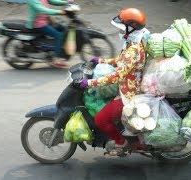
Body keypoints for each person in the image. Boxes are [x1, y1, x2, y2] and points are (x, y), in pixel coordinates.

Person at [74, 8, 150, 156]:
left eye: (122, 29)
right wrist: (101, 61)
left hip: (129, 95)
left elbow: (116, 76)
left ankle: (121, 142)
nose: (120, 31)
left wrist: (90, 83)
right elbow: (121, 62)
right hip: (126, 87)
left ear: (130, 29)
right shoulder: (133, 43)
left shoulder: (133, 50)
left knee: (100, 119)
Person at [26, 0, 71, 68]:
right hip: (38, 24)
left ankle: (60, 50)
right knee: (59, 35)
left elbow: (53, 1)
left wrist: (66, 2)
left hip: (47, 21)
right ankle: (57, 59)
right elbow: (42, 9)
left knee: (65, 29)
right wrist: (59, 12)